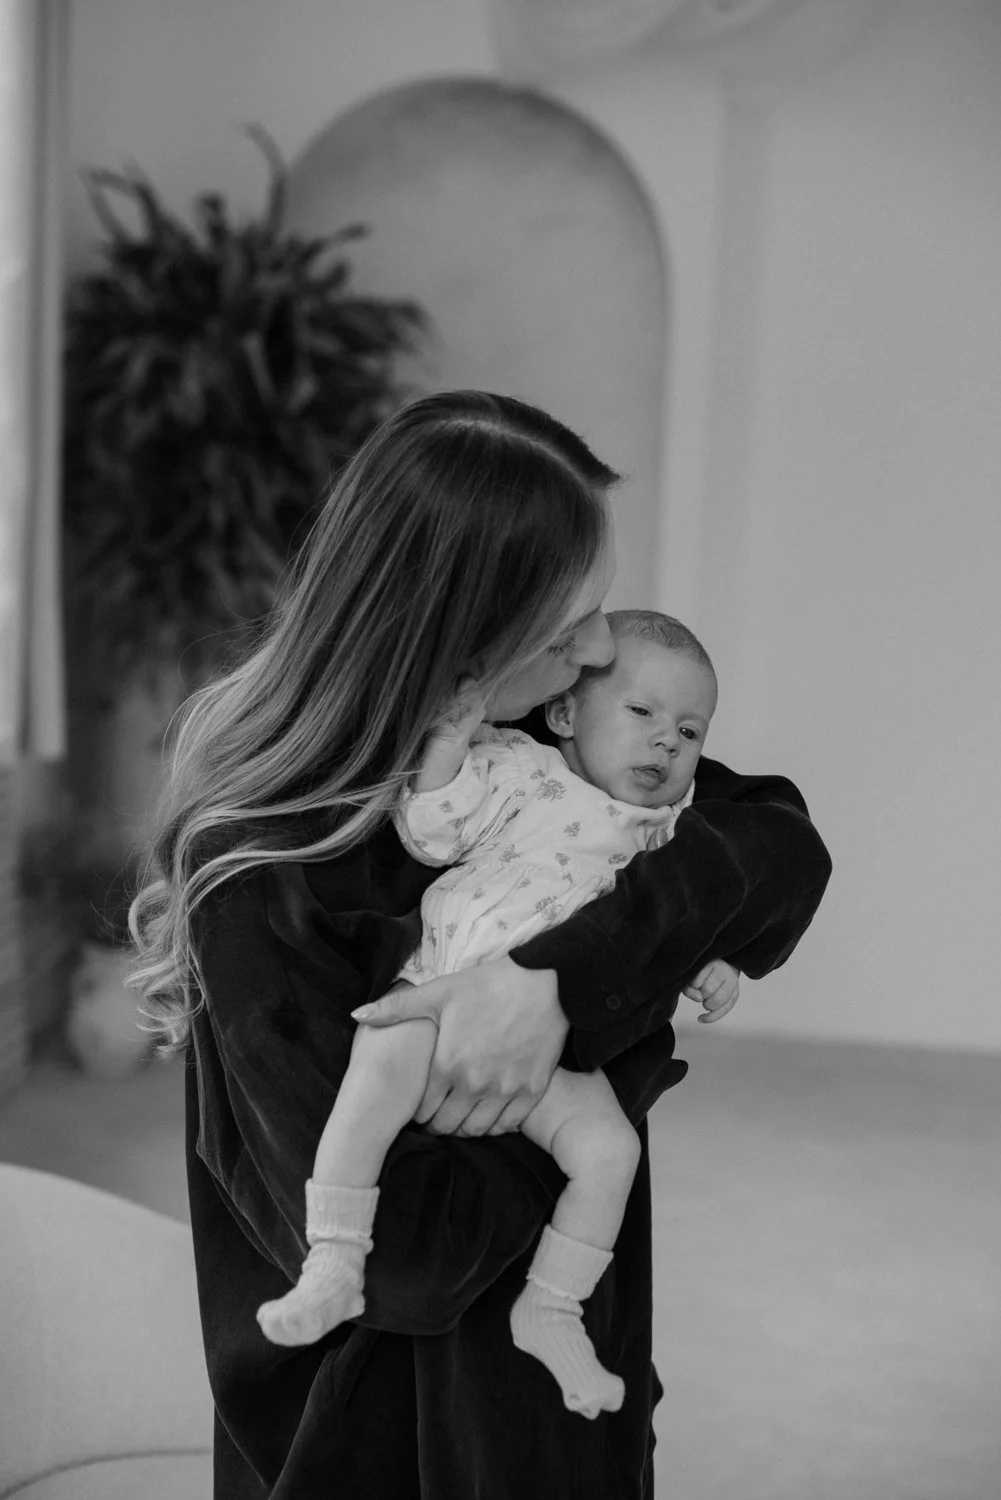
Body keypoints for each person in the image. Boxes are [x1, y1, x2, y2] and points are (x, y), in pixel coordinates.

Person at [130, 391, 832, 1500]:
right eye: (567, 628)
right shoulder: (266, 870)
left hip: (564, 1421)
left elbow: (778, 847)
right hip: (371, 1448)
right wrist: (612, 1050)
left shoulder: (543, 744)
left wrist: (553, 988)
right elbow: (410, 1256)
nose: (600, 649)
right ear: (458, 646)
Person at [256, 611, 740, 1427]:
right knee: (375, 1064)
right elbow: (431, 831)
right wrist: (447, 744)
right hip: (440, 995)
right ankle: (333, 1259)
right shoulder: (519, 768)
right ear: (564, 715)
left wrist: (709, 960)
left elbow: (666, 922)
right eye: (641, 713)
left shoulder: (665, 831)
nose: (667, 742)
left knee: (609, 1150)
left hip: (550, 1053)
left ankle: (551, 1306)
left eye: (689, 732)